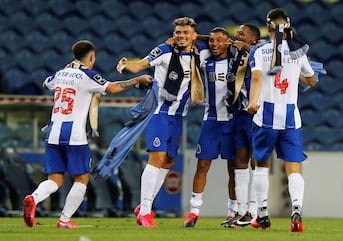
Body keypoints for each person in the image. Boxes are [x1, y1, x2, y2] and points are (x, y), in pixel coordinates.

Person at [22, 40, 152, 228]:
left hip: (53, 133)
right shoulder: (88, 75)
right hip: (74, 134)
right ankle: (64, 220)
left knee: (55, 179)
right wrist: (137, 80)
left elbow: (45, 83)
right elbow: (113, 88)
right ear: (91, 57)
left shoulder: (61, 73)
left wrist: (66, 71)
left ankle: (33, 198)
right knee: (82, 179)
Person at [116, 17, 210, 228]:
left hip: (178, 116)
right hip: (159, 112)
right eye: (178, 32)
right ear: (173, 34)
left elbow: (218, 41)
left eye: (186, 32)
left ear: (193, 35)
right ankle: (146, 212)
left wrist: (199, 37)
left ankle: (143, 206)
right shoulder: (163, 51)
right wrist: (127, 64)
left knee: (168, 161)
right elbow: (141, 64)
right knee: (156, 159)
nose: (181, 36)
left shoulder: (199, 53)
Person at [246, 8, 316, 232]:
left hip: (264, 116)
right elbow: (312, 81)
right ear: (287, 25)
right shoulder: (299, 52)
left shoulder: (260, 51)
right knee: (293, 167)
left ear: (268, 28)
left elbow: (256, 79)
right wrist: (300, 76)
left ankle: (263, 214)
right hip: (290, 119)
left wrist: (253, 101)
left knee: (261, 166)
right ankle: (296, 211)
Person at [183, 27, 237, 228]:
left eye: (219, 41)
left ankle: (232, 213)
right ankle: (194, 212)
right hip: (211, 120)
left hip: (232, 121)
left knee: (234, 169)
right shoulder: (205, 57)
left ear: (228, 42)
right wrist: (211, 38)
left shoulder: (237, 60)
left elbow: (257, 46)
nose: (214, 44)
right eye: (212, 41)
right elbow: (194, 38)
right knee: (202, 166)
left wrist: (230, 43)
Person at [220, 23, 261, 228]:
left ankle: (256, 210)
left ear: (252, 38)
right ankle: (242, 211)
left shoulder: (260, 50)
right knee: (240, 162)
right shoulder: (235, 52)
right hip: (238, 114)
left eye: (241, 34)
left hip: (256, 114)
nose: (237, 36)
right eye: (237, 33)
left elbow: (264, 54)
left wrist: (244, 46)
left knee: (257, 162)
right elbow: (214, 39)